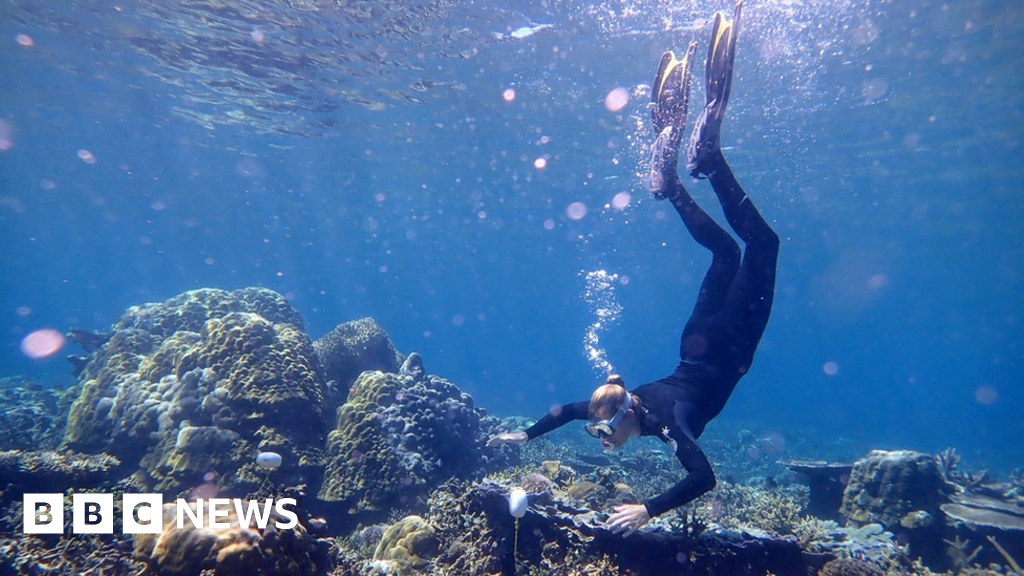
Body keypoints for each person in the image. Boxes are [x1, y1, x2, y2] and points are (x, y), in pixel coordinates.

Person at [488, 2, 779, 537]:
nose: (601, 441)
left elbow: (703, 478)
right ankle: (671, 188)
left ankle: (708, 163)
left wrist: (649, 509)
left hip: (724, 345)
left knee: (763, 242)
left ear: (623, 415)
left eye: (602, 433)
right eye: (600, 434)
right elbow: (569, 411)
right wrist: (525, 439)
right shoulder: (626, 405)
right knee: (728, 254)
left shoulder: (666, 425)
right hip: (696, 342)